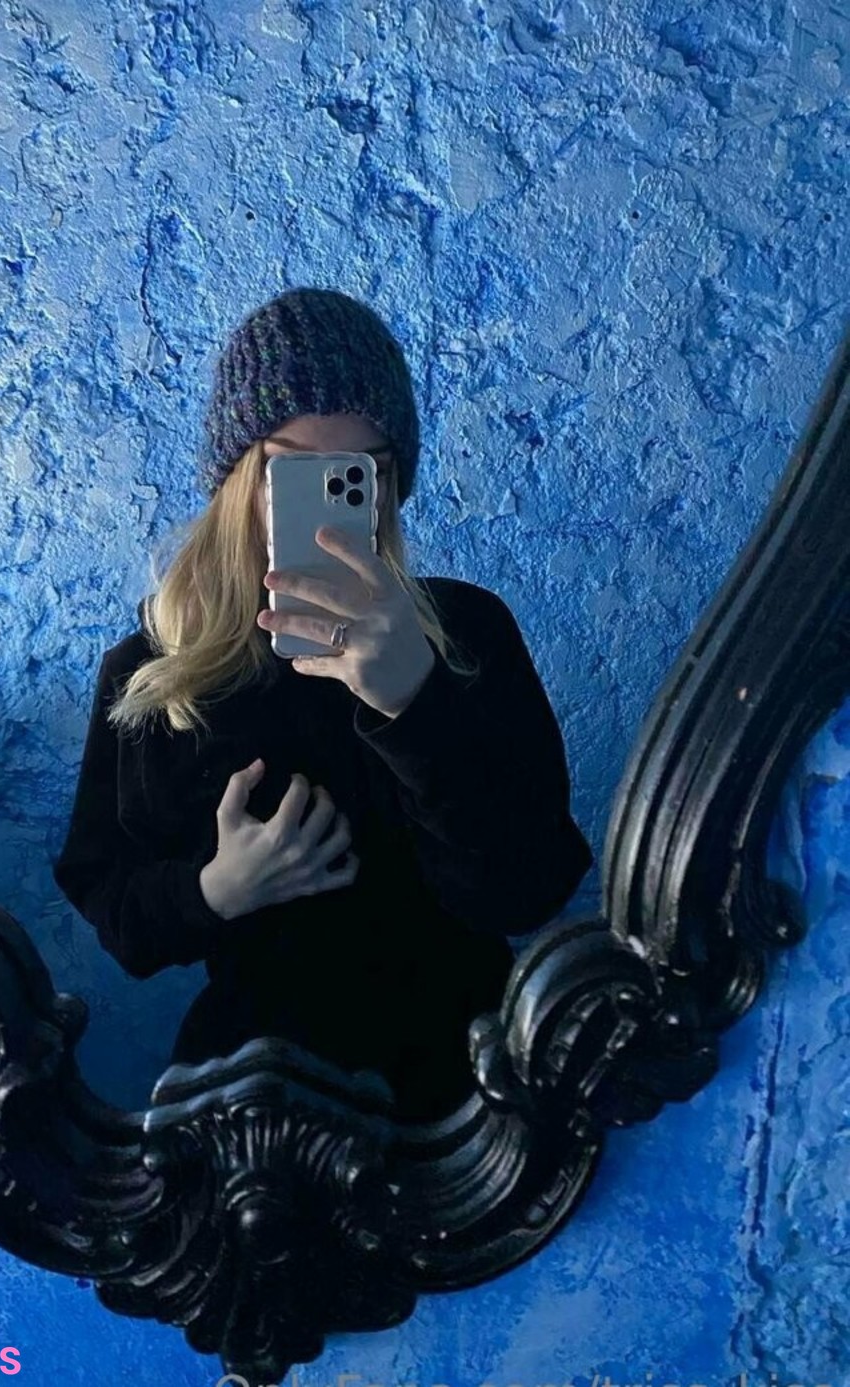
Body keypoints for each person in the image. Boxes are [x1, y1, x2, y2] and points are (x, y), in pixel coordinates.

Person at [52, 287, 593, 1123]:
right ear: (238, 476)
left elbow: (527, 893)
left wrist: (415, 702)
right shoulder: (154, 672)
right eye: (293, 468)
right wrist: (216, 889)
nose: (328, 499)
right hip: (253, 1102)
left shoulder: (468, 632)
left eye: (357, 473)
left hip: (466, 1100)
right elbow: (119, 914)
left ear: (391, 482)